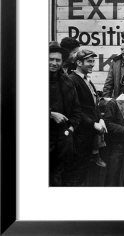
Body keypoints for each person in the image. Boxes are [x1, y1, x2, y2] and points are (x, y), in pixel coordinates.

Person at [68, 49, 107, 186]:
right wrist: (92, 124)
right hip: (80, 136)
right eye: (89, 61)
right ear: (78, 62)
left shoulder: (87, 81)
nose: (92, 64)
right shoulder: (72, 80)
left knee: (85, 173)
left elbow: (93, 105)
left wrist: (100, 119)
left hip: (90, 136)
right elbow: (75, 109)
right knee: (77, 173)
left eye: (93, 61)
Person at [49, 41, 81, 186]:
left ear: (62, 62)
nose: (54, 63)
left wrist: (71, 128)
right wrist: (50, 114)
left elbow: (76, 110)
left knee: (61, 174)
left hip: (63, 137)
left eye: (57, 60)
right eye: (51, 59)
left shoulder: (67, 82)